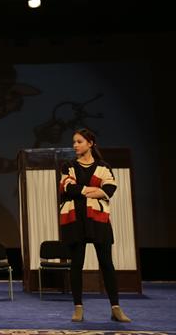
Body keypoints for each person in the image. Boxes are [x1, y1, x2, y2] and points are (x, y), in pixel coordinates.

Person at [59, 128, 131, 323]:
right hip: (74, 219)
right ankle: (78, 308)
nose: (75, 145)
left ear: (90, 143)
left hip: (98, 219)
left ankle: (116, 308)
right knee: (76, 264)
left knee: (107, 264)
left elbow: (109, 189)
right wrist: (92, 190)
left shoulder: (103, 167)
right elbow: (68, 188)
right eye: (74, 142)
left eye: (79, 141)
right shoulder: (68, 166)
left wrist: (82, 191)